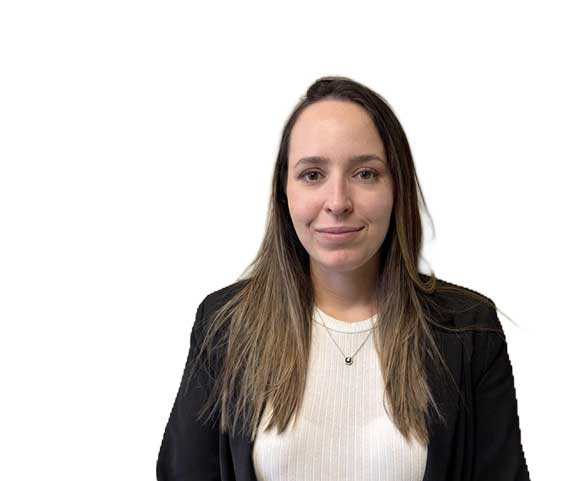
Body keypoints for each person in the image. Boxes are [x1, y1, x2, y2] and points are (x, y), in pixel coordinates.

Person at [156, 76, 530, 481]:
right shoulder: (225, 325)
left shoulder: (469, 330)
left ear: (397, 188)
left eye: (365, 174)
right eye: (312, 174)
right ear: (284, 192)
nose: (337, 202)